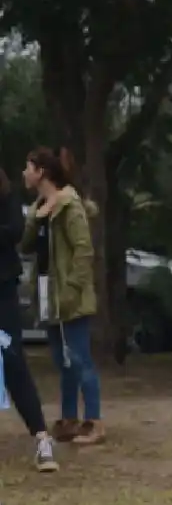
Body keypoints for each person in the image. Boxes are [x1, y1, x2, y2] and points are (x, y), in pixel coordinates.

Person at [21, 147, 104, 445]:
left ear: (41, 171)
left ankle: (93, 421)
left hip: (70, 296)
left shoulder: (70, 206)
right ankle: (69, 419)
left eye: (28, 167)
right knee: (62, 360)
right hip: (47, 293)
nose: (24, 173)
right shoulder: (38, 208)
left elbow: (83, 251)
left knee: (80, 359)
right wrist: (34, 219)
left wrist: (71, 288)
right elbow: (26, 247)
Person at [0, 165, 57, 472]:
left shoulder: (5, 195)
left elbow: (15, 232)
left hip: (2, 289)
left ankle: (42, 438)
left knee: (13, 362)